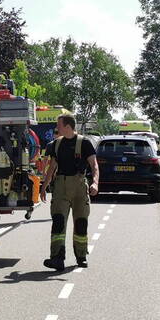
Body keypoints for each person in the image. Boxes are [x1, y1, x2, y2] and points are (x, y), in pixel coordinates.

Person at [39, 115, 99, 270]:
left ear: (67, 126)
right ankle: (57, 259)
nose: (56, 127)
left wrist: (95, 182)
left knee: (81, 223)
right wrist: (44, 186)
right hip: (61, 187)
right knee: (58, 222)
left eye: (58, 125)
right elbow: (52, 168)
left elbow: (94, 165)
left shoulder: (84, 143)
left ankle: (81, 257)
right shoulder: (56, 144)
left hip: (79, 187)